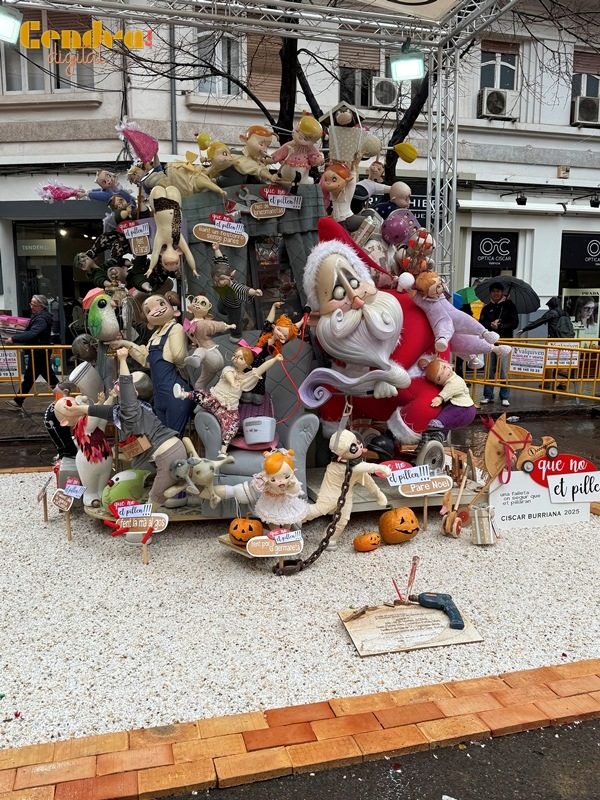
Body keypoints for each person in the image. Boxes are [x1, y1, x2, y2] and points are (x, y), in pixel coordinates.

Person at [55, 347, 187, 508]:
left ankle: (146, 520)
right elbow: (105, 412)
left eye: (123, 385)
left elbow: (124, 385)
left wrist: (123, 360)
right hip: (171, 449)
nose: (118, 385)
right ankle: (178, 492)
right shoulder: (136, 410)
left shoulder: (131, 410)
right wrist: (87, 406)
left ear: (134, 393)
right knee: (165, 489)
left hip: (167, 455)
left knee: (154, 500)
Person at [4, 294, 58, 409]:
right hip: (38, 352)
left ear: (41, 306)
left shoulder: (41, 319)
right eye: (31, 304)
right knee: (36, 377)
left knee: (39, 377)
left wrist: (14, 339)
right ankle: (18, 401)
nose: (31, 306)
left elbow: (33, 333)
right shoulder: (39, 317)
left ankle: (65, 397)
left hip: (39, 353)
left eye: (34, 305)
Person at [479, 281, 519, 407]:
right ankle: (488, 395)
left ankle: (504, 396)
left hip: (505, 342)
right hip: (490, 343)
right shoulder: (486, 308)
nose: (495, 294)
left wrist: (501, 325)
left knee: (503, 371)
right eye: (493, 291)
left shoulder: (510, 306)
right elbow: (481, 324)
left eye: (498, 291)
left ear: (502, 293)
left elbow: (514, 323)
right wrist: (490, 325)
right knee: (489, 370)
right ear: (490, 293)